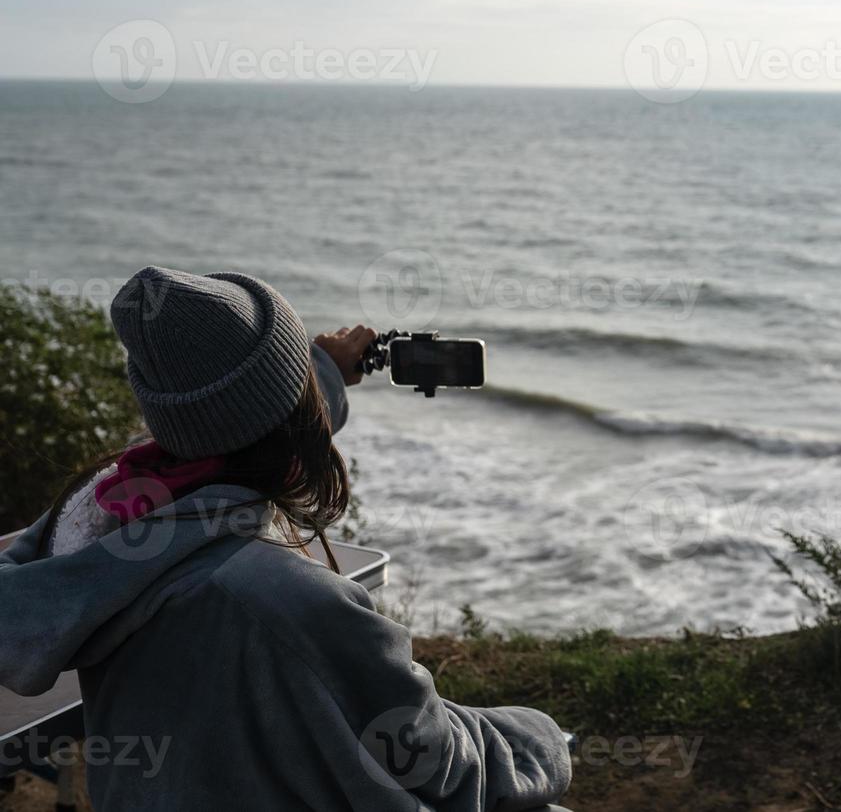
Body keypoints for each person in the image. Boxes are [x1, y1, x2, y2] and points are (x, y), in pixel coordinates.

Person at [0, 267, 573, 811]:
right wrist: (542, 736)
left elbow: (236, 419)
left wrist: (319, 366)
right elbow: (438, 764)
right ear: (297, 412)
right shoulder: (291, 601)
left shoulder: (97, 528)